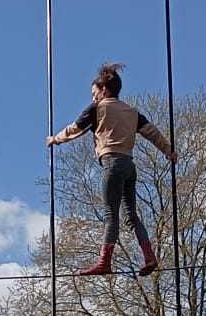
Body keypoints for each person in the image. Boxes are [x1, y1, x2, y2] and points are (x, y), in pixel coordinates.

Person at [46, 62, 175, 277]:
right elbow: (151, 132)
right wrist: (168, 151)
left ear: (104, 89)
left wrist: (55, 140)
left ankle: (105, 262)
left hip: (112, 164)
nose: (92, 97)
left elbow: (75, 128)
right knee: (131, 215)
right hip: (129, 166)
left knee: (110, 215)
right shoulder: (132, 112)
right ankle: (149, 256)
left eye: (94, 92)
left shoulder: (98, 108)